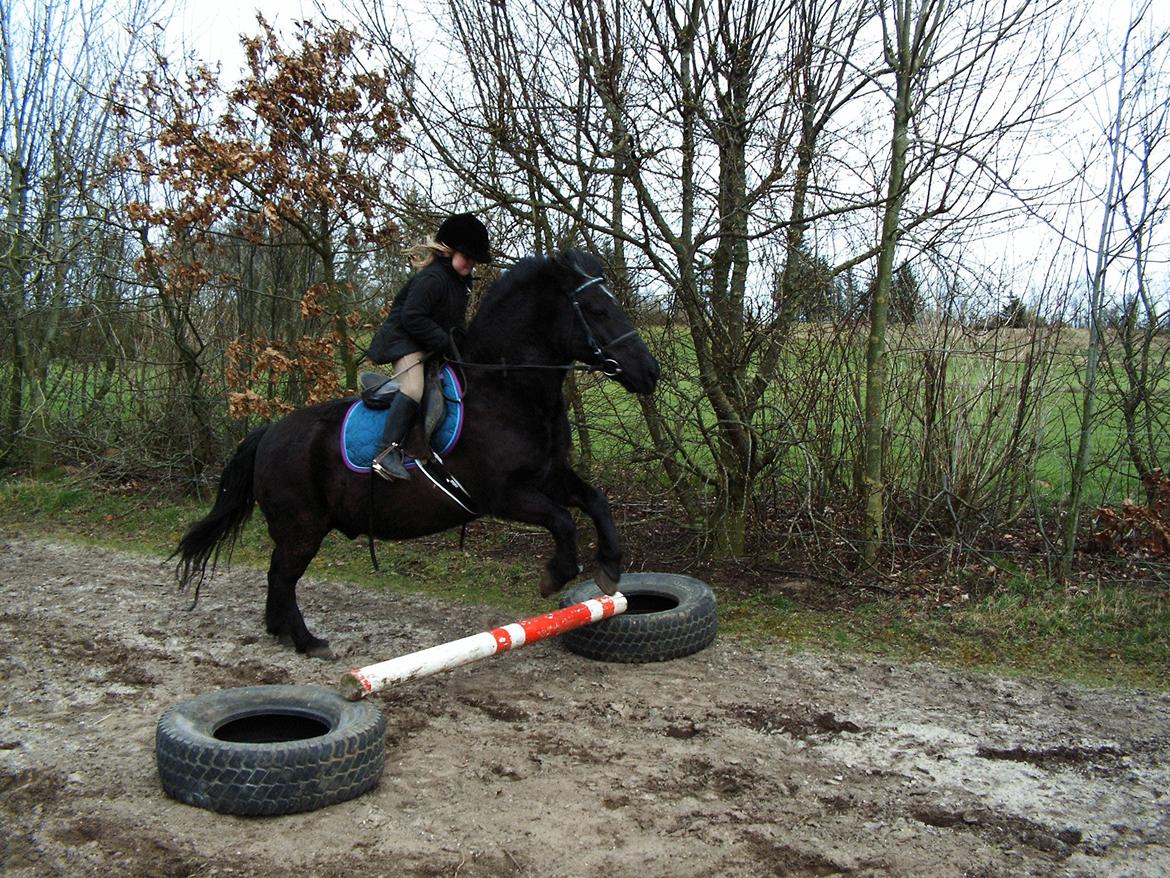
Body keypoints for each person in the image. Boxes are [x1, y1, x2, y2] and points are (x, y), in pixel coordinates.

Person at [367, 212, 492, 480]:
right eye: (467, 256)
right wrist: (445, 342)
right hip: (405, 342)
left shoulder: (460, 284)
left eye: (474, 260)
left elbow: (455, 326)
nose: (471, 263)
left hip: (428, 344)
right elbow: (412, 317)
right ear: (450, 251)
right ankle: (386, 452)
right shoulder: (433, 279)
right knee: (413, 389)